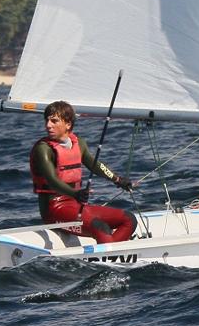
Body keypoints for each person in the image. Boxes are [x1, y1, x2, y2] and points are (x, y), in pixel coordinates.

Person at [30, 101, 135, 243]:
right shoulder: (43, 149)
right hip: (54, 210)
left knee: (129, 219)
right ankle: (107, 258)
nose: (48, 125)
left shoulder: (78, 143)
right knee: (100, 227)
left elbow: (94, 165)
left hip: (76, 204)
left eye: (54, 121)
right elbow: (52, 181)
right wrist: (75, 193)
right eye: (47, 120)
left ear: (68, 124)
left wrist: (117, 180)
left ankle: (110, 254)